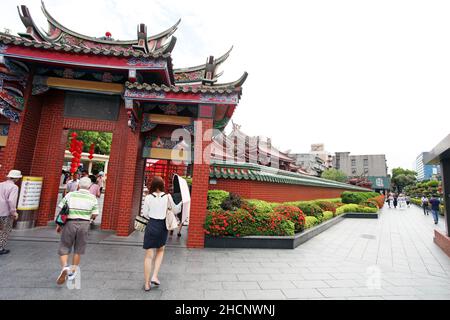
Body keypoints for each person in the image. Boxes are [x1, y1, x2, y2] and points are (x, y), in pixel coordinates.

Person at [55, 177, 99, 285]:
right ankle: (72, 272)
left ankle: (65, 266)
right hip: (84, 224)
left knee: (64, 246)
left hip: (70, 222)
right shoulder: (92, 198)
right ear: (89, 186)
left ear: (78, 185)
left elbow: (61, 208)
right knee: (78, 249)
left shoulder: (70, 195)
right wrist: (90, 217)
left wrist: (59, 225)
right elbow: (95, 214)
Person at [141, 176, 181, 291]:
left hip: (151, 225)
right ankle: (154, 276)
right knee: (160, 251)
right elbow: (176, 210)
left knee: (149, 256)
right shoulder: (168, 197)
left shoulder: (148, 197)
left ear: (152, 185)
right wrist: (182, 203)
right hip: (162, 226)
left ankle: (147, 284)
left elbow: (145, 214)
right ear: (162, 185)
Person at [0, 170, 22, 255]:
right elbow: (11, 200)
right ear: (16, 178)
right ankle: (0, 248)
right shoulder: (14, 187)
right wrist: (14, 212)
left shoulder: (1, 184)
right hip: (5, 212)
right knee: (5, 230)